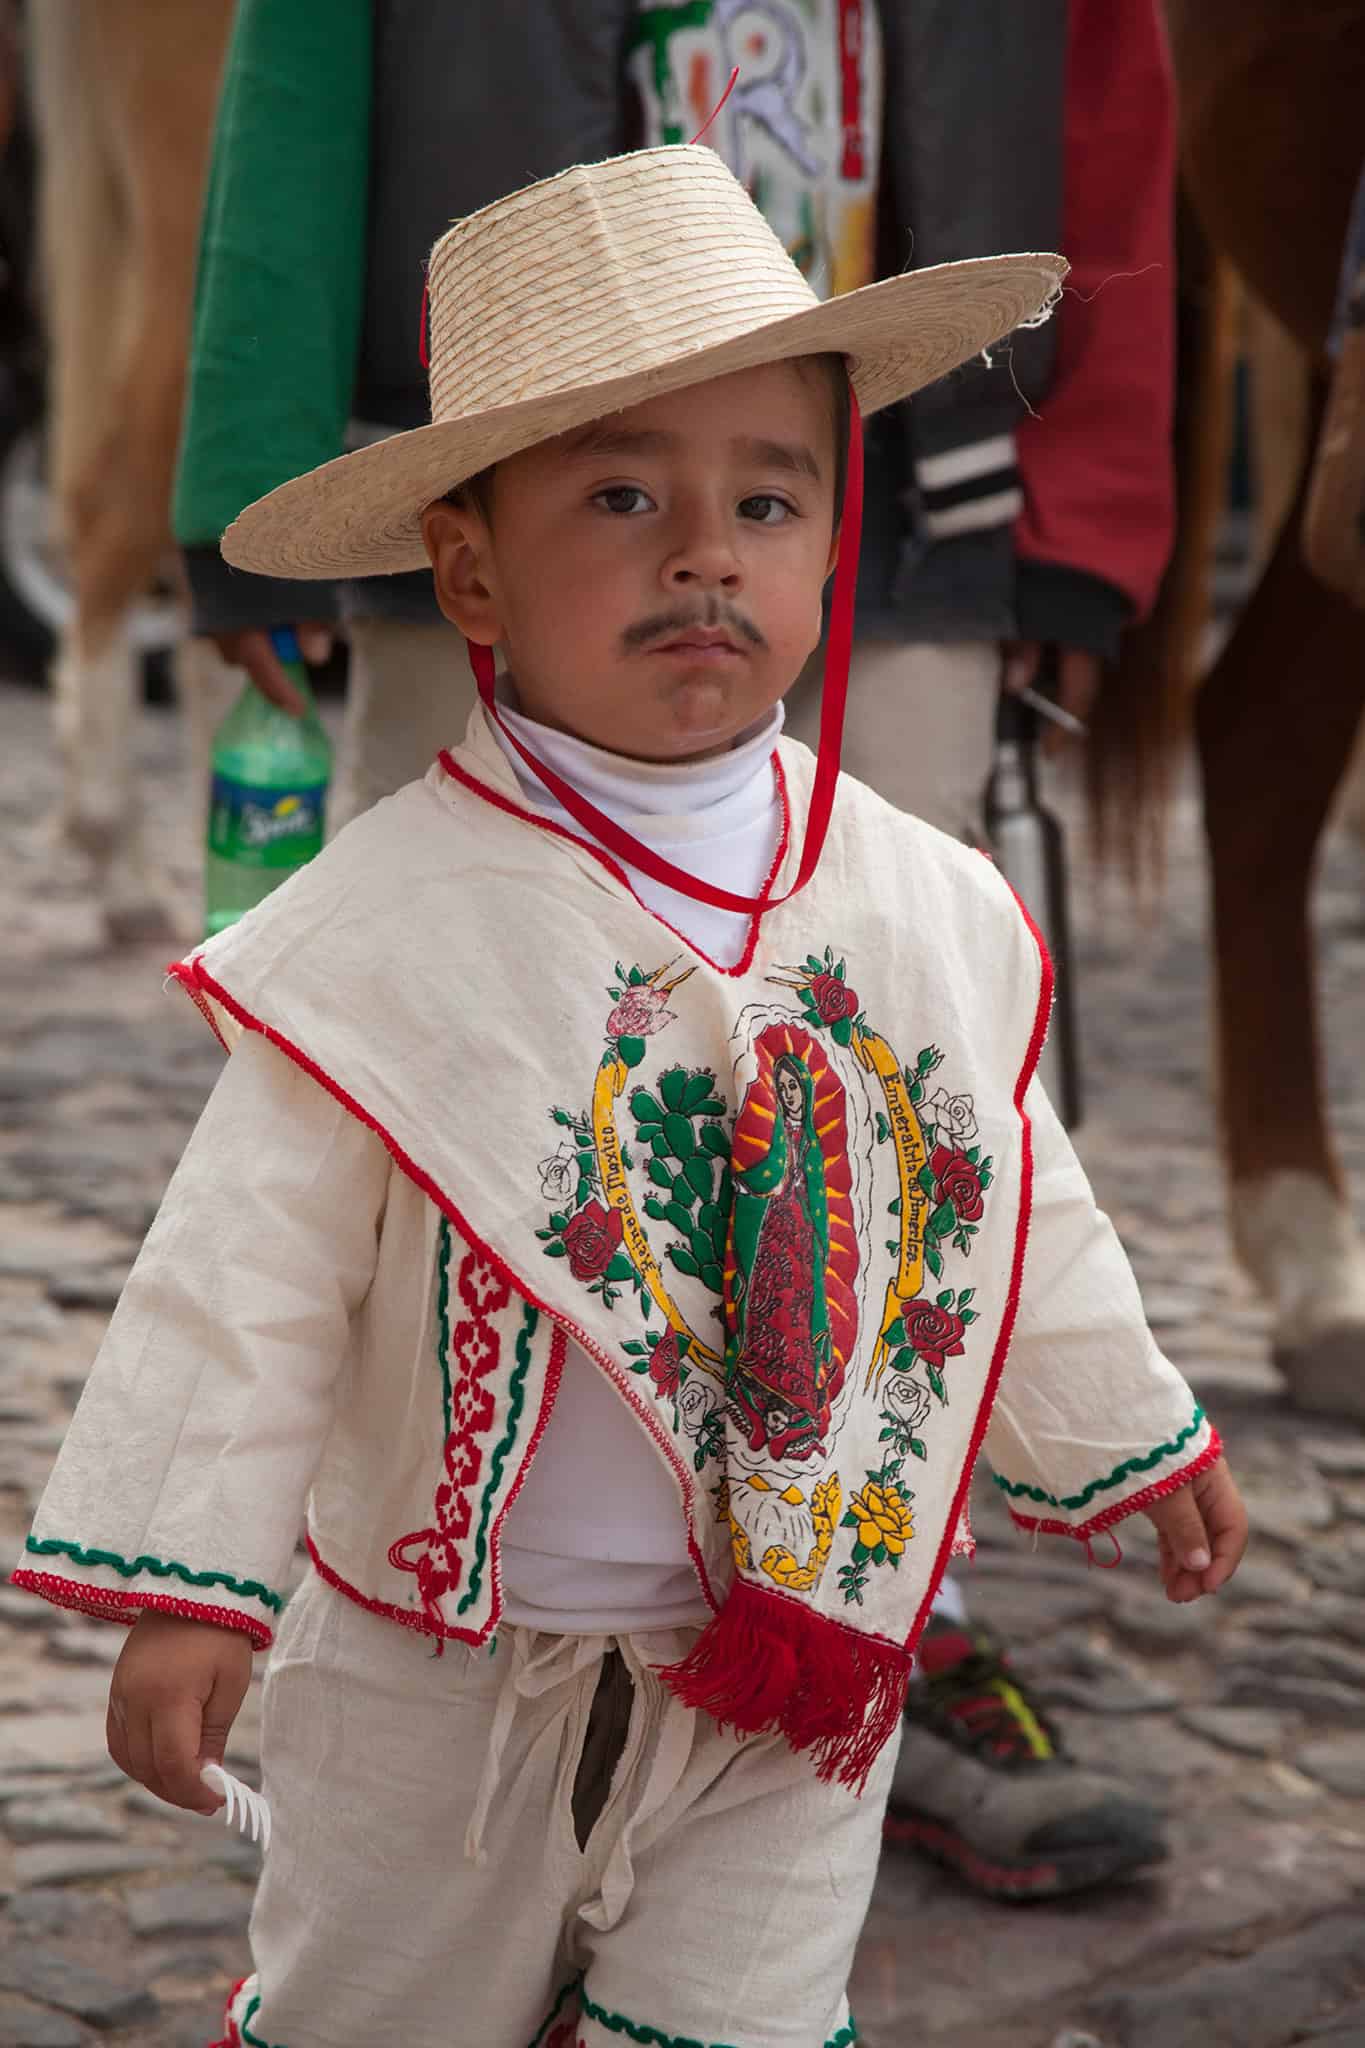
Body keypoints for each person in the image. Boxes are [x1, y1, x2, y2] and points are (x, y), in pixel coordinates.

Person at [14, 147, 1246, 2046]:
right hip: (442, 1673)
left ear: (830, 544)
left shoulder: (915, 899)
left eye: (764, 499)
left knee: (740, 2022)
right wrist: (197, 1587)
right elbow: (245, 1272)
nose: (703, 550)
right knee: (385, 2007)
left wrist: (1129, 1429)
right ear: (471, 569)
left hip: (790, 1649)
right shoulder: (393, 923)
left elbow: (1002, 1187)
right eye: (621, 494)